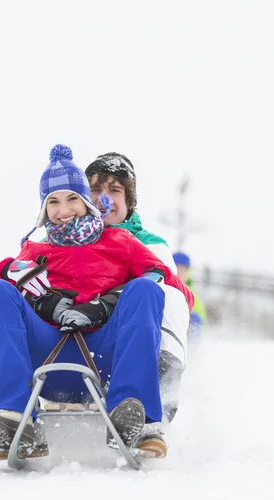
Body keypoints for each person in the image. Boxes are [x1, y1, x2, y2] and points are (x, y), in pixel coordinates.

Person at [0, 144, 194, 462]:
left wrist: (110, 301)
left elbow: (176, 290)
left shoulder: (122, 243)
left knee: (147, 289)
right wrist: (9, 272)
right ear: (44, 210)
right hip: (49, 354)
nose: (64, 209)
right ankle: (13, 416)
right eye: (53, 201)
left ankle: (134, 417)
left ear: (86, 202)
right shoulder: (35, 250)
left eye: (72, 198)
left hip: (104, 359)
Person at [85, 153, 191, 420]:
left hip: (129, 344)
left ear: (129, 201)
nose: (103, 197)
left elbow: (167, 283)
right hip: (76, 343)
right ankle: (12, 407)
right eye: (95, 189)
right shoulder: (65, 240)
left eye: (114, 190)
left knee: (167, 295)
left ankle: (156, 401)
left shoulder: (149, 244)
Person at [172, 251, 207, 338]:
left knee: (195, 318)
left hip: (184, 339)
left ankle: (191, 351)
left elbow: (203, 326)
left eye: (183, 269)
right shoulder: (161, 289)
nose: (179, 272)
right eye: (176, 267)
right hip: (166, 332)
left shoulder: (195, 298)